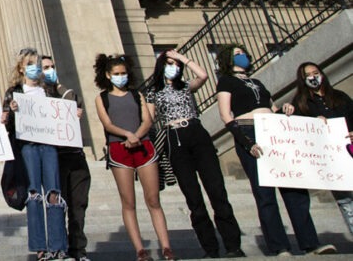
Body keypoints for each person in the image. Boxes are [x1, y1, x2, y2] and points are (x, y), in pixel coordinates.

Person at [216, 45, 335, 256]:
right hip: (249, 131)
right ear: (228, 59)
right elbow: (226, 115)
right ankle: (279, 246)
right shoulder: (226, 81)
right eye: (237, 54)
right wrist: (245, 142)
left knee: (294, 189)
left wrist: (285, 110)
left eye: (243, 52)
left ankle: (310, 243)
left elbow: (272, 107)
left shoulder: (257, 82)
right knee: (265, 193)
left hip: (274, 132)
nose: (242, 56)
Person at [145, 49, 243, 258]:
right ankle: (210, 248)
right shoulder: (153, 91)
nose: (173, 66)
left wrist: (183, 58)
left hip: (196, 132)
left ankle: (233, 245)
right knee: (193, 197)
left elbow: (204, 76)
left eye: (176, 64)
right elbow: (150, 120)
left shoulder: (186, 85)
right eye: (169, 63)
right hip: (174, 137)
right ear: (161, 66)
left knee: (217, 190)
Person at [93, 53, 172, 261]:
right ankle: (140, 250)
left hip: (143, 146)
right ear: (108, 76)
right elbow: (107, 124)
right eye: (117, 74)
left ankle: (166, 247)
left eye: (124, 73)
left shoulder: (137, 94)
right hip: (119, 148)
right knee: (128, 201)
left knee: (153, 198)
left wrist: (136, 135)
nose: (121, 77)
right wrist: (127, 135)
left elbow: (147, 119)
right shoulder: (102, 98)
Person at [4, 48, 68, 261]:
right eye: (30, 63)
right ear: (21, 67)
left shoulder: (48, 90)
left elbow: (66, 110)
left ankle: (59, 247)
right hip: (27, 147)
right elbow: (7, 125)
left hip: (49, 146)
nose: (35, 67)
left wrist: (73, 111)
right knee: (34, 195)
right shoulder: (14, 92)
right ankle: (40, 248)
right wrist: (10, 113)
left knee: (54, 194)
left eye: (38, 63)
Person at [288, 61, 353, 239]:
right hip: (330, 159)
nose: (313, 77)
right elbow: (296, 127)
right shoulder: (301, 103)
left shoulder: (340, 96)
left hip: (350, 150)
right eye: (307, 75)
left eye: (315, 72)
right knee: (346, 201)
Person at [40, 54, 91, 261]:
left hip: (75, 156)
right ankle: (58, 247)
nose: (50, 70)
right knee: (56, 205)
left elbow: (72, 106)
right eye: (45, 67)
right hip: (53, 157)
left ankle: (78, 249)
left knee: (78, 205)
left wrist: (60, 88)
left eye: (52, 66)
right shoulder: (36, 98)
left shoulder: (67, 94)